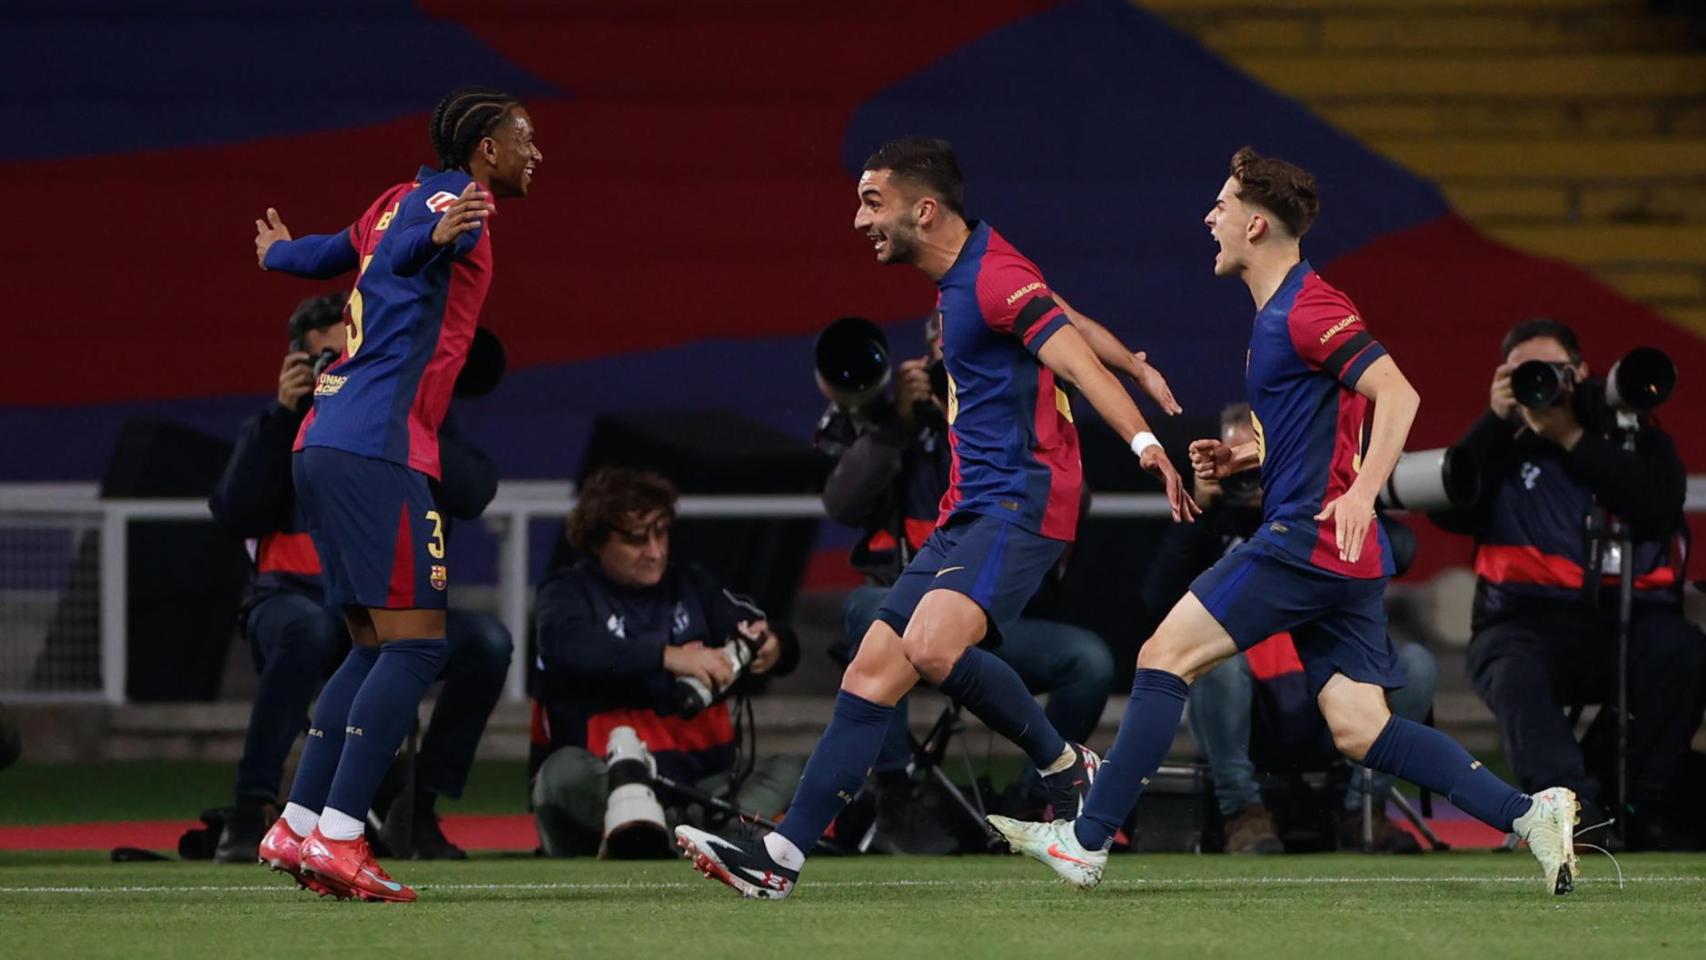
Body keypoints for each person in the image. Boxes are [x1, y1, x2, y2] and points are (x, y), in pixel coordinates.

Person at [989, 146, 1581, 895]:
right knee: (1361, 728)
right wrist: (1246, 460)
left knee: (1163, 655)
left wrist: (1366, 491)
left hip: (1306, 539)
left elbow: (1399, 395)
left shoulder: (1309, 308)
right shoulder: (1282, 314)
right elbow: (1320, 427)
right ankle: (1531, 813)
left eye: (1223, 204)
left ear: (1258, 224)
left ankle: (1086, 837)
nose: (1211, 216)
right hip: (1339, 553)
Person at [675, 136, 1198, 900]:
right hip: (969, 512)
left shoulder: (991, 278)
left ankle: (1064, 767)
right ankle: (779, 858)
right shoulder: (976, 277)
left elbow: (1071, 360)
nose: (859, 220)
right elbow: (1070, 319)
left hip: (1021, 500)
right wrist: (1139, 363)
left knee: (927, 644)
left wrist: (1145, 440)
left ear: (925, 209)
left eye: (872, 202)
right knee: (870, 671)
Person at [248, 86, 542, 902]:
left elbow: (332, 253)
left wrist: (278, 255)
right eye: (525, 137)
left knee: (375, 645)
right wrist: (433, 235)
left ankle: (298, 824)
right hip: (381, 448)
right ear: (485, 148)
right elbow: (413, 247)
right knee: (416, 645)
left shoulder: (393, 198)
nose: (535, 152)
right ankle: (342, 838)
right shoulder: (450, 202)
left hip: (327, 438)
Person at [207, 294, 512, 863]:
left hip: (386, 600)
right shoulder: (279, 429)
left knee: (485, 643)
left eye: (341, 356)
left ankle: (415, 808)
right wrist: (282, 416)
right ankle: (254, 810)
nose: (332, 372)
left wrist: (399, 417)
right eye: (320, 361)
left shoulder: (404, 414)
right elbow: (235, 512)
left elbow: (473, 491)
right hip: (293, 598)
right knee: (311, 634)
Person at [822, 310, 1130, 845]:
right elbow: (843, 503)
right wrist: (898, 424)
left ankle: (1040, 797)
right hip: (904, 615)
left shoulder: (1025, 419)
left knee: (1090, 660)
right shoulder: (899, 422)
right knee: (867, 607)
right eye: (948, 345)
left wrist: (975, 419)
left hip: (987, 626)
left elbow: (1072, 504)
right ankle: (894, 790)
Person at [1439, 318, 1704, 848]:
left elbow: (1657, 505)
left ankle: (1640, 805)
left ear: (1580, 373)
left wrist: (1573, 439)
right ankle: (1572, 815)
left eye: (1553, 371)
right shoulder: (1500, 442)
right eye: (1524, 374)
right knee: (1515, 672)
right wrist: (1495, 422)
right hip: (1521, 620)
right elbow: (1453, 510)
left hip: (1627, 619)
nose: (1541, 384)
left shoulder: (1628, 430)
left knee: (1684, 654)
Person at [1146, 402, 1438, 854]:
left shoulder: (1323, 515)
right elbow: (1156, 597)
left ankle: (1363, 812)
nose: (1252, 480)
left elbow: (1402, 551)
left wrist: (1357, 496)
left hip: (1328, 699)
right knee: (1213, 665)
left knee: (1415, 665)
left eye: (1258, 461)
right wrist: (1203, 514)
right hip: (1245, 711)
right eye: (1238, 461)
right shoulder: (1215, 526)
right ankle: (1241, 813)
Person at [531, 468, 803, 855]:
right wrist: (668, 657)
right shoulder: (568, 592)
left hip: (700, 792)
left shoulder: (692, 586)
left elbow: (766, 632)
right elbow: (566, 645)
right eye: (636, 539)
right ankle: (687, 838)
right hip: (606, 784)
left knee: (797, 770)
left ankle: (668, 838)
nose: (655, 551)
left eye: (661, 532)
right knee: (560, 773)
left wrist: (774, 645)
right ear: (596, 540)